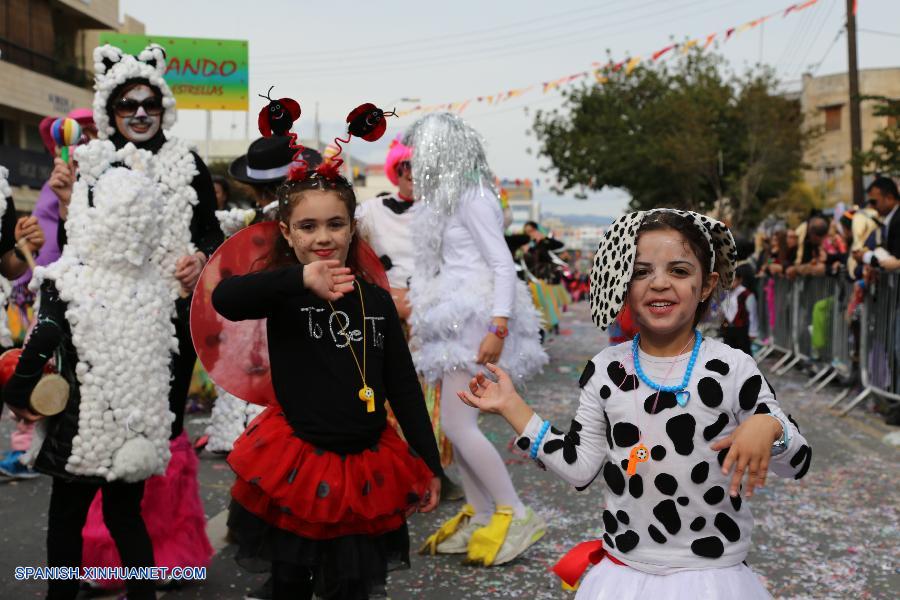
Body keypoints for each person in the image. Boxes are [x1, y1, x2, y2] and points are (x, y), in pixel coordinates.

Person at [458, 209, 811, 598]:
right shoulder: (606, 369)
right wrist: (513, 407)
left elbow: (796, 462)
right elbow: (579, 467)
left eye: (678, 271)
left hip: (713, 580)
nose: (659, 283)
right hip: (625, 576)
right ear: (623, 284)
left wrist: (771, 428)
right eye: (642, 272)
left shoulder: (733, 367)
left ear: (707, 284)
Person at [211, 164, 443, 600]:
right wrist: (300, 279)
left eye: (335, 224)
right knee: (290, 584)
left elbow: (403, 385)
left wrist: (430, 463)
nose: (323, 238)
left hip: (366, 467)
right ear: (286, 231)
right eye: (307, 226)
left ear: (352, 229)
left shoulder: (376, 299)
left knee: (351, 587)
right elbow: (226, 298)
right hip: (298, 463)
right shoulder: (283, 293)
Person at [46, 43, 220, 591]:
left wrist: (202, 261)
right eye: (127, 105)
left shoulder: (188, 161)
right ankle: (98, 559)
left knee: (160, 435)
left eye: (149, 102)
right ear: (109, 111)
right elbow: (68, 247)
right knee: (87, 441)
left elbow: (212, 234)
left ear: (163, 104)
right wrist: (65, 202)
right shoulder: (91, 163)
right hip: (98, 321)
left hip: (166, 325)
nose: (140, 113)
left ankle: (164, 554)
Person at [2, 153, 169, 600]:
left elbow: (47, 332)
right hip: (134, 429)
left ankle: (61, 595)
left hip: (80, 428)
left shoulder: (68, 278)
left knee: (66, 520)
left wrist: (18, 390)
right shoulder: (153, 282)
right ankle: (143, 595)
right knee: (126, 519)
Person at [407, 113, 548, 567]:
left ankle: (514, 511)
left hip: (474, 318)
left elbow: (502, 264)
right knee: (455, 425)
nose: (414, 162)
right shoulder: (447, 199)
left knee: (459, 426)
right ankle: (483, 511)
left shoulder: (475, 195)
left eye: (422, 152)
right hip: (454, 316)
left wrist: (498, 326)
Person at [355, 134, 463, 501]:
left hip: (432, 320)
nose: (413, 174)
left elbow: (460, 266)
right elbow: (357, 259)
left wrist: (426, 301)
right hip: (384, 313)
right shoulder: (369, 211)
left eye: (423, 168)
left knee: (426, 399)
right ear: (396, 168)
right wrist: (386, 296)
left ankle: (429, 469)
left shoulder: (447, 214)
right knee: (384, 395)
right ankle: (390, 471)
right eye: (407, 166)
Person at [854, 177, 900, 271]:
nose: (871, 206)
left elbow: (895, 258)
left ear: (889, 198)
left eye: (874, 201)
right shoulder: (889, 220)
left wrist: (866, 256)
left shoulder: (897, 220)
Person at [720, 264, 759, 356]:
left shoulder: (746, 294)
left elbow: (753, 314)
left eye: (733, 280)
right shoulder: (726, 293)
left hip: (741, 330)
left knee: (744, 354)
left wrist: (752, 332)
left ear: (740, 280)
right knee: (728, 354)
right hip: (728, 329)